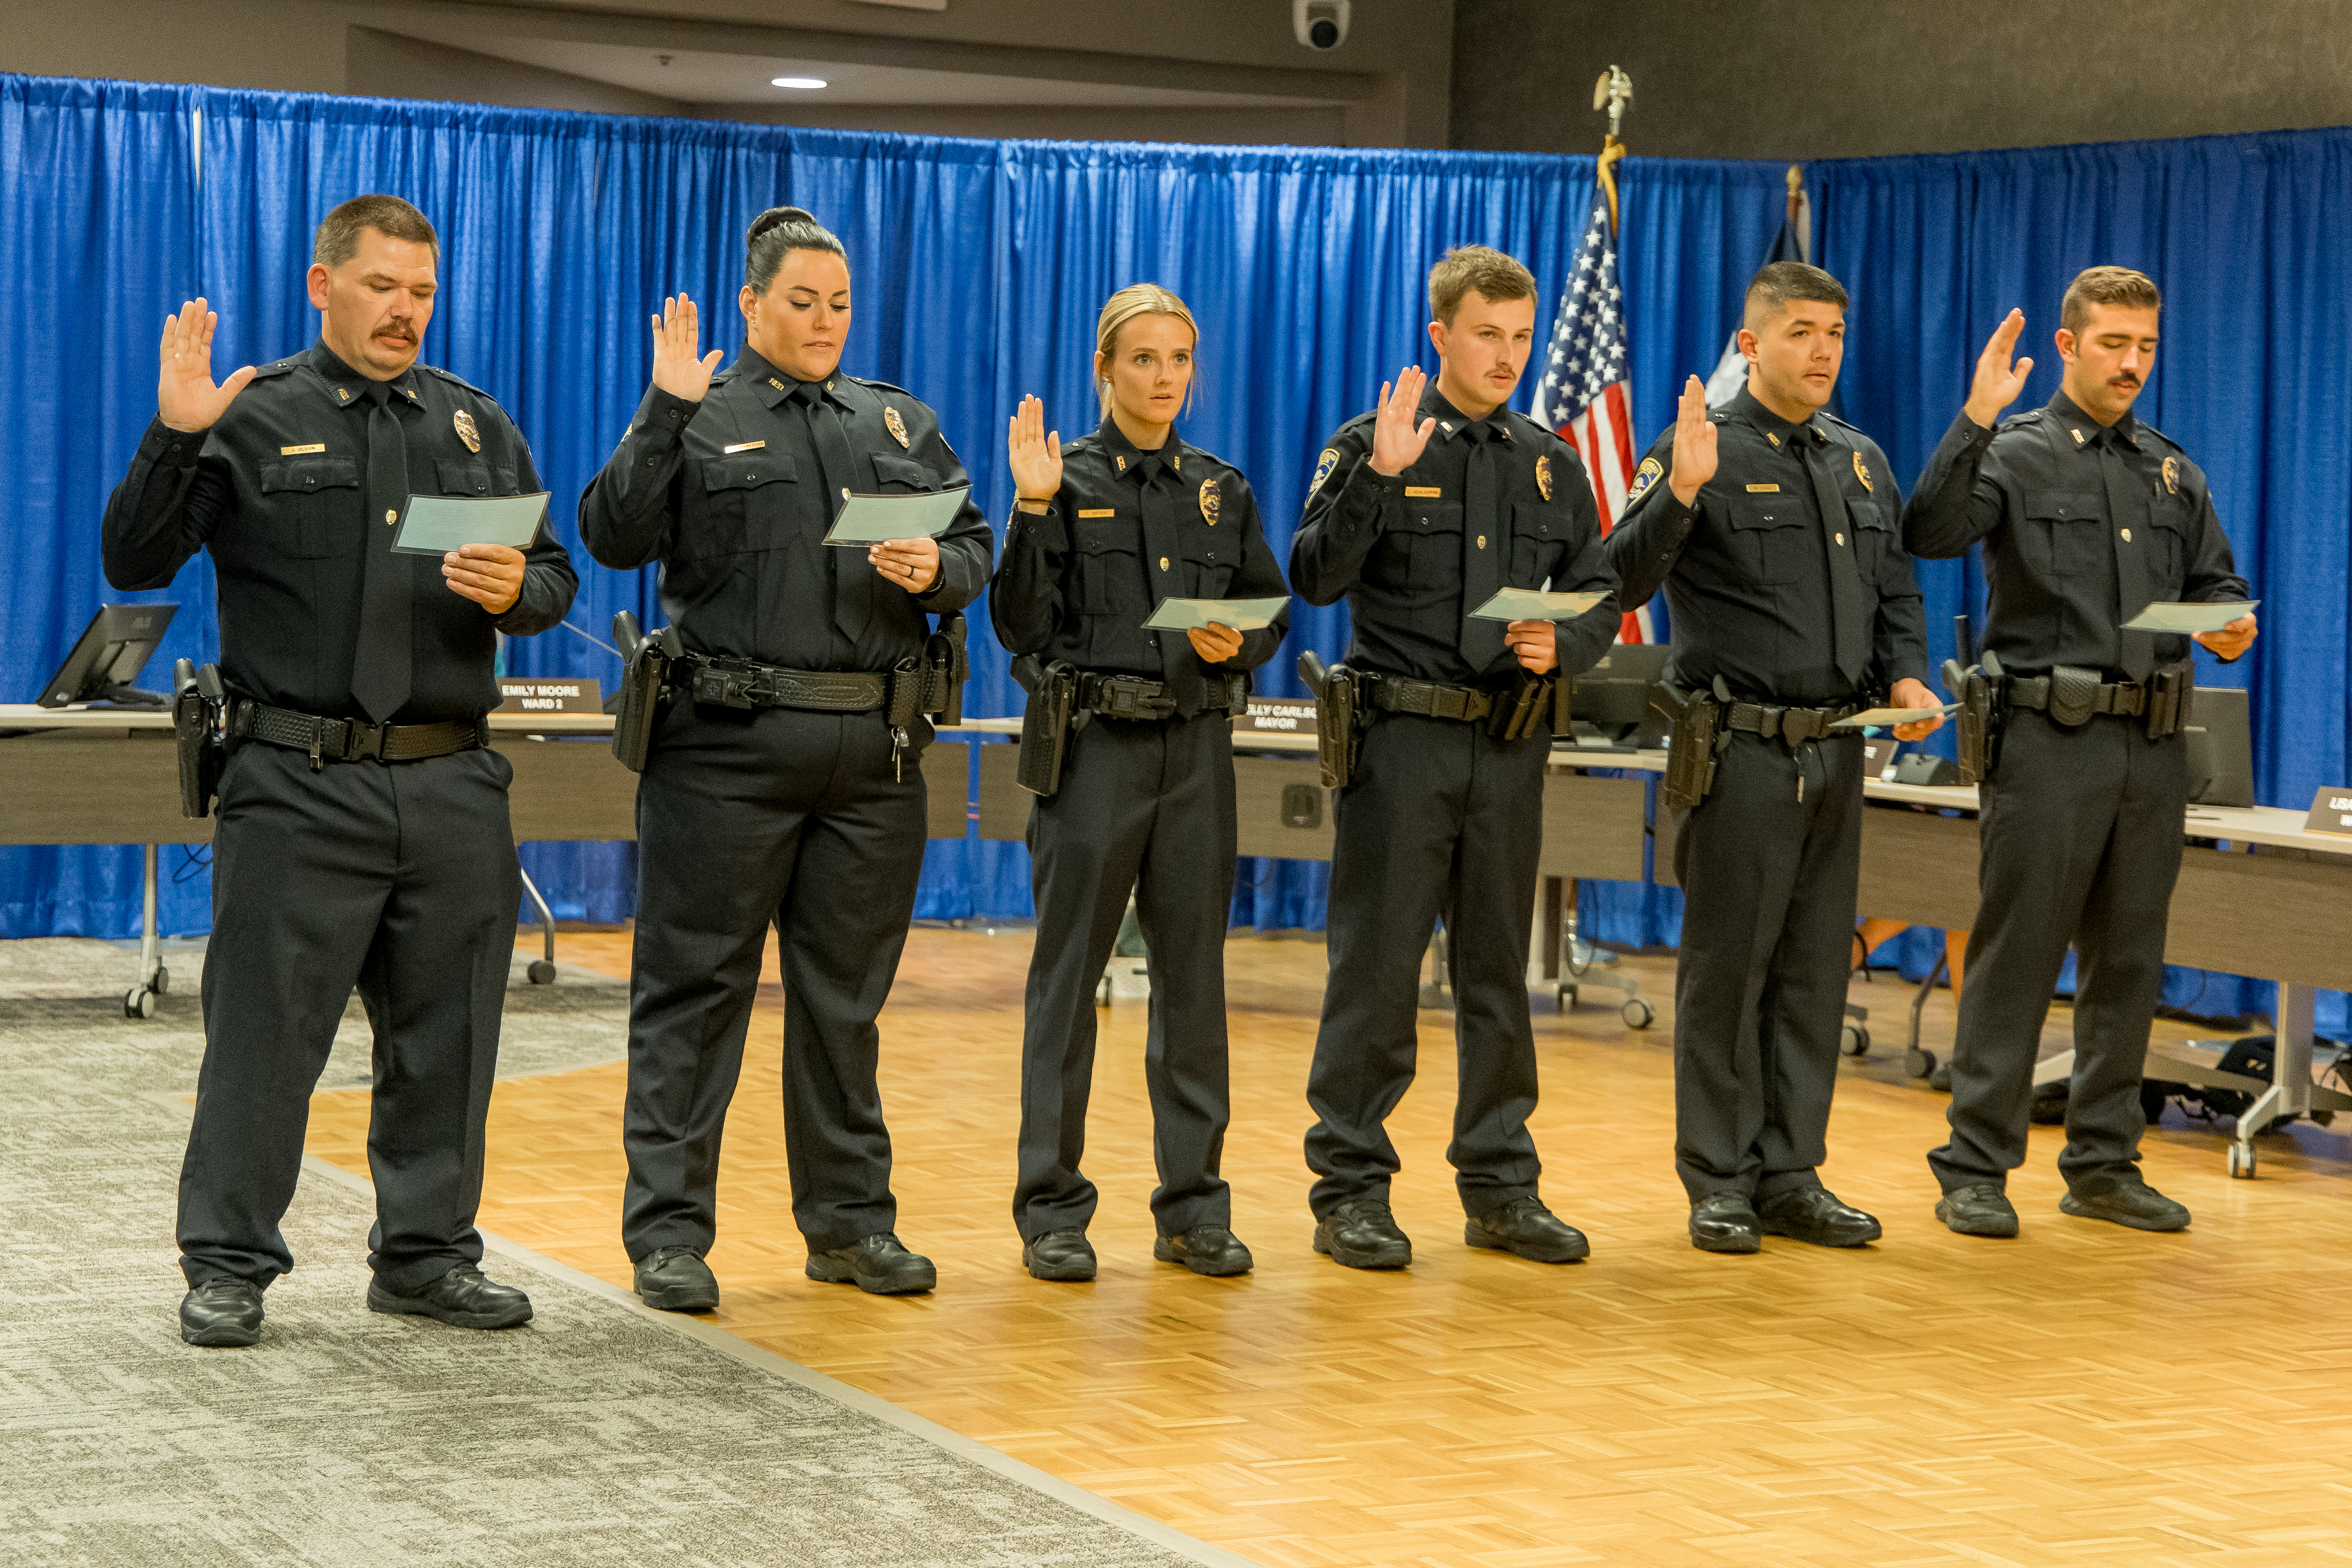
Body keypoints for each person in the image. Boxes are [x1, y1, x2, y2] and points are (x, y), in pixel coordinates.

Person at [103, 194, 578, 1348]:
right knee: (264, 1038)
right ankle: (228, 1264)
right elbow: (134, 555)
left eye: (421, 292)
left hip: (451, 779)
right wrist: (173, 433)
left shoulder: (475, 426)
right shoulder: (250, 416)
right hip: (297, 777)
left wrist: (521, 594)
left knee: (450, 1038)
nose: (404, 311)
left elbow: (554, 578)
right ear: (325, 287)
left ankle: (424, 1256)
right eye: (382, 287)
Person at [580, 206, 993, 1305]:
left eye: (840, 304)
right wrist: (662, 411)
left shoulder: (897, 422)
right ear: (753, 305)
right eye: (801, 302)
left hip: (873, 754)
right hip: (726, 748)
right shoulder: (700, 415)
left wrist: (938, 571)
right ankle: (669, 1236)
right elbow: (613, 533)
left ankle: (851, 1226)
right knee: (695, 995)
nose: (824, 322)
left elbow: (975, 544)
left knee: (844, 1005)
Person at [1904, 266, 2256, 1237]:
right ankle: (1974, 1165)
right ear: (2068, 346)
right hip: (2047, 744)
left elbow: (2217, 582)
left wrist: (2230, 624)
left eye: (2146, 346)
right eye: (2113, 345)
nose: (2133, 364)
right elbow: (1929, 531)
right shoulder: (2015, 454)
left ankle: (2104, 1160)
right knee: (2018, 957)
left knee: (2130, 960)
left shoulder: (2171, 469)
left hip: (2152, 746)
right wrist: (1974, 417)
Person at [1290, 245, 1619, 1270]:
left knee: (1496, 976)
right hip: (1403, 743)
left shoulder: (1550, 459)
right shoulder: (1376, 440)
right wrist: (1378, 481)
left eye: (1522, 337)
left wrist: (1564, 641)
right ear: (1440, 336)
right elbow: (1314, 573)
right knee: (1379, 973)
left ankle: (1500, 1186)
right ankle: (1350, 1189)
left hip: (1509, 746)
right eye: (1489, 334)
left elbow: (1602, 591)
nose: (1508, 355)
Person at [1606, 262, 1944, 1254]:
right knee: (1729, 972)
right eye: (1801, 332)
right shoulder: (1698, 445)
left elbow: (1896, 593)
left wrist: (1909, 679)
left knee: (1810, 975)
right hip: (1739, 751)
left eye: (1835, 333)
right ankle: (1718, 1177)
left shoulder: (1860, 460)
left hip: (1839, 754)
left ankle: (1792, 1172)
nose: (1824, 351)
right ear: (1750, 346)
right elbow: (1619, 576)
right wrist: (1680, 492)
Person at [992, 284, 1290, 1283]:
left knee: (1195, 984)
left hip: (1196, 752)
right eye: (1144, 361)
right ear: (1105, 371)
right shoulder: (1064, 479)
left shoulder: (1221, 486)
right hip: (1095, 754)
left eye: (1178, 361)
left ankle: (1196, 1206)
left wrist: (1238, 634)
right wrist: (1031, 509)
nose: (1164, 379)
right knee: (1067, 982)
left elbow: (1270, 607)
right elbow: (1020, 625)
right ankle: (1053, 1208)